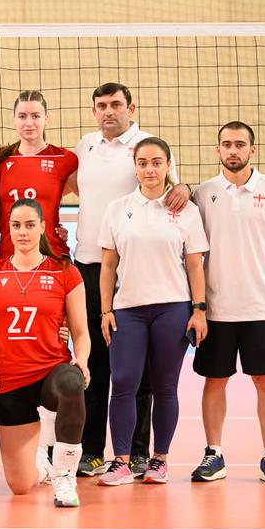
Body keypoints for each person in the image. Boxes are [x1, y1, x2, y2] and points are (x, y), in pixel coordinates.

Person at [69, 82, 192, 477]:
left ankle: (137, 452)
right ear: (94, 111)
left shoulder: (145, 146)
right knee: (93, 363)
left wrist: (186, 186)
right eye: (102, 106)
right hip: (89, 265)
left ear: (130, 108)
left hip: (132, 269)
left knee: (137, 371)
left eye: (116, 105)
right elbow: (68, 186)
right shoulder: (85, 146)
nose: (109, 111)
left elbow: (176, 187)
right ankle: (92, 451)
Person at [190, 121, 265, 484]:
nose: (233, 150)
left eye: (240, 144)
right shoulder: (204, 193)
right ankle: (214, 454)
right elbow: (193, 249)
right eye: (227, 144)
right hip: (216, 307)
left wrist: (262, 269)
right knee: (214, 380)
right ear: (218, 150)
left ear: (252, 150)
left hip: (259, 305)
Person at [98, 137, 209, 486]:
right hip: (127, 310)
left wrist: (199, 310)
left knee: (165, 386)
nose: (149, 170)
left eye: (157, 163)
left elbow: (195, 265)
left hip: (172, 308)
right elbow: (107, 265)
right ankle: (120, 461)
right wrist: (105, 310)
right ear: (135, 167)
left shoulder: (186, 210)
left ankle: (159, 460)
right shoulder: (117, 209)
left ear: (168, 166)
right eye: (143, 163)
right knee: (123, 382)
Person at [0, 200, 91, 507]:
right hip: (10, 378)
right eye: (16, 226)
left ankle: (65, 477)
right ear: (7, 230)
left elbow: (81, 332)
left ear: (42, 227)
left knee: (71, 382)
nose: (22, 232)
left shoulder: (64, 272)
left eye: (29, 225)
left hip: (51, 371)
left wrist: (81, 359)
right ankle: (43, 466)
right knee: (21, 486)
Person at [0, 91, 77, 260]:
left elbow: (90, 198)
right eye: (22, 116)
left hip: (52, 254)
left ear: (46, 119)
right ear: (14, 120)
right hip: (10, 256)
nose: (29, 123)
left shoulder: (64, 159)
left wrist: (59, 227)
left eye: (35, 116)